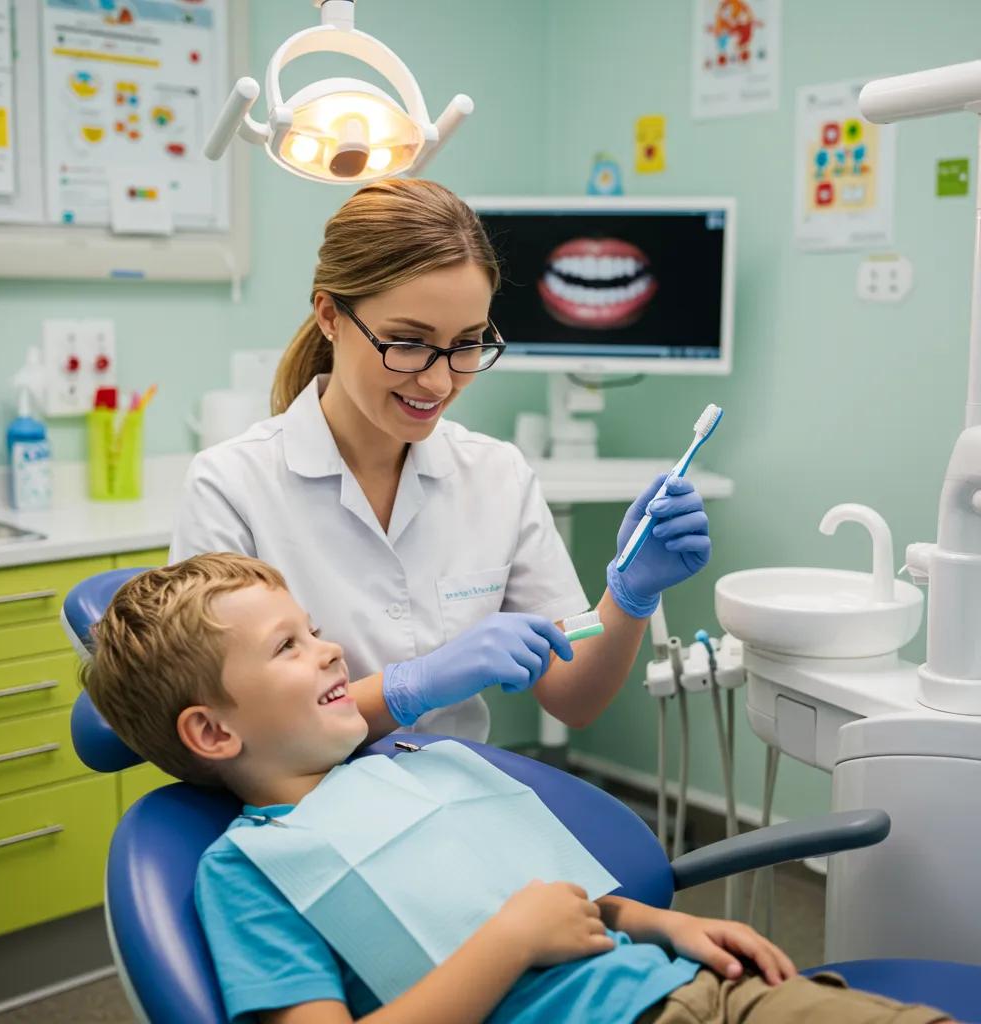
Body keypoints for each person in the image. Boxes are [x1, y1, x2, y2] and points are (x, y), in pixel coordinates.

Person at [82, 553, 951, 1024]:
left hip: (703, 990)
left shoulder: (417, 771)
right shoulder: (252, 870)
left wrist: (662, 921)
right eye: (288, 647)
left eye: (314, 629)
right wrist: (508, 943)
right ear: (212, 732)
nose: (331, 648)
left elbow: (548, 900)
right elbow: (516, 924)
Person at [171, 177, 711, 744]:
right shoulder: (231, 487)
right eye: (407, 342)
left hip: (456, 799)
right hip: (302, 807)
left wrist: (627, 597)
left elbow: (572, 691)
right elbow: (233, 727)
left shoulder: (496, 476)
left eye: (468, 343)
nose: (438, 379)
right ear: (330, 316)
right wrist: (411, 686)